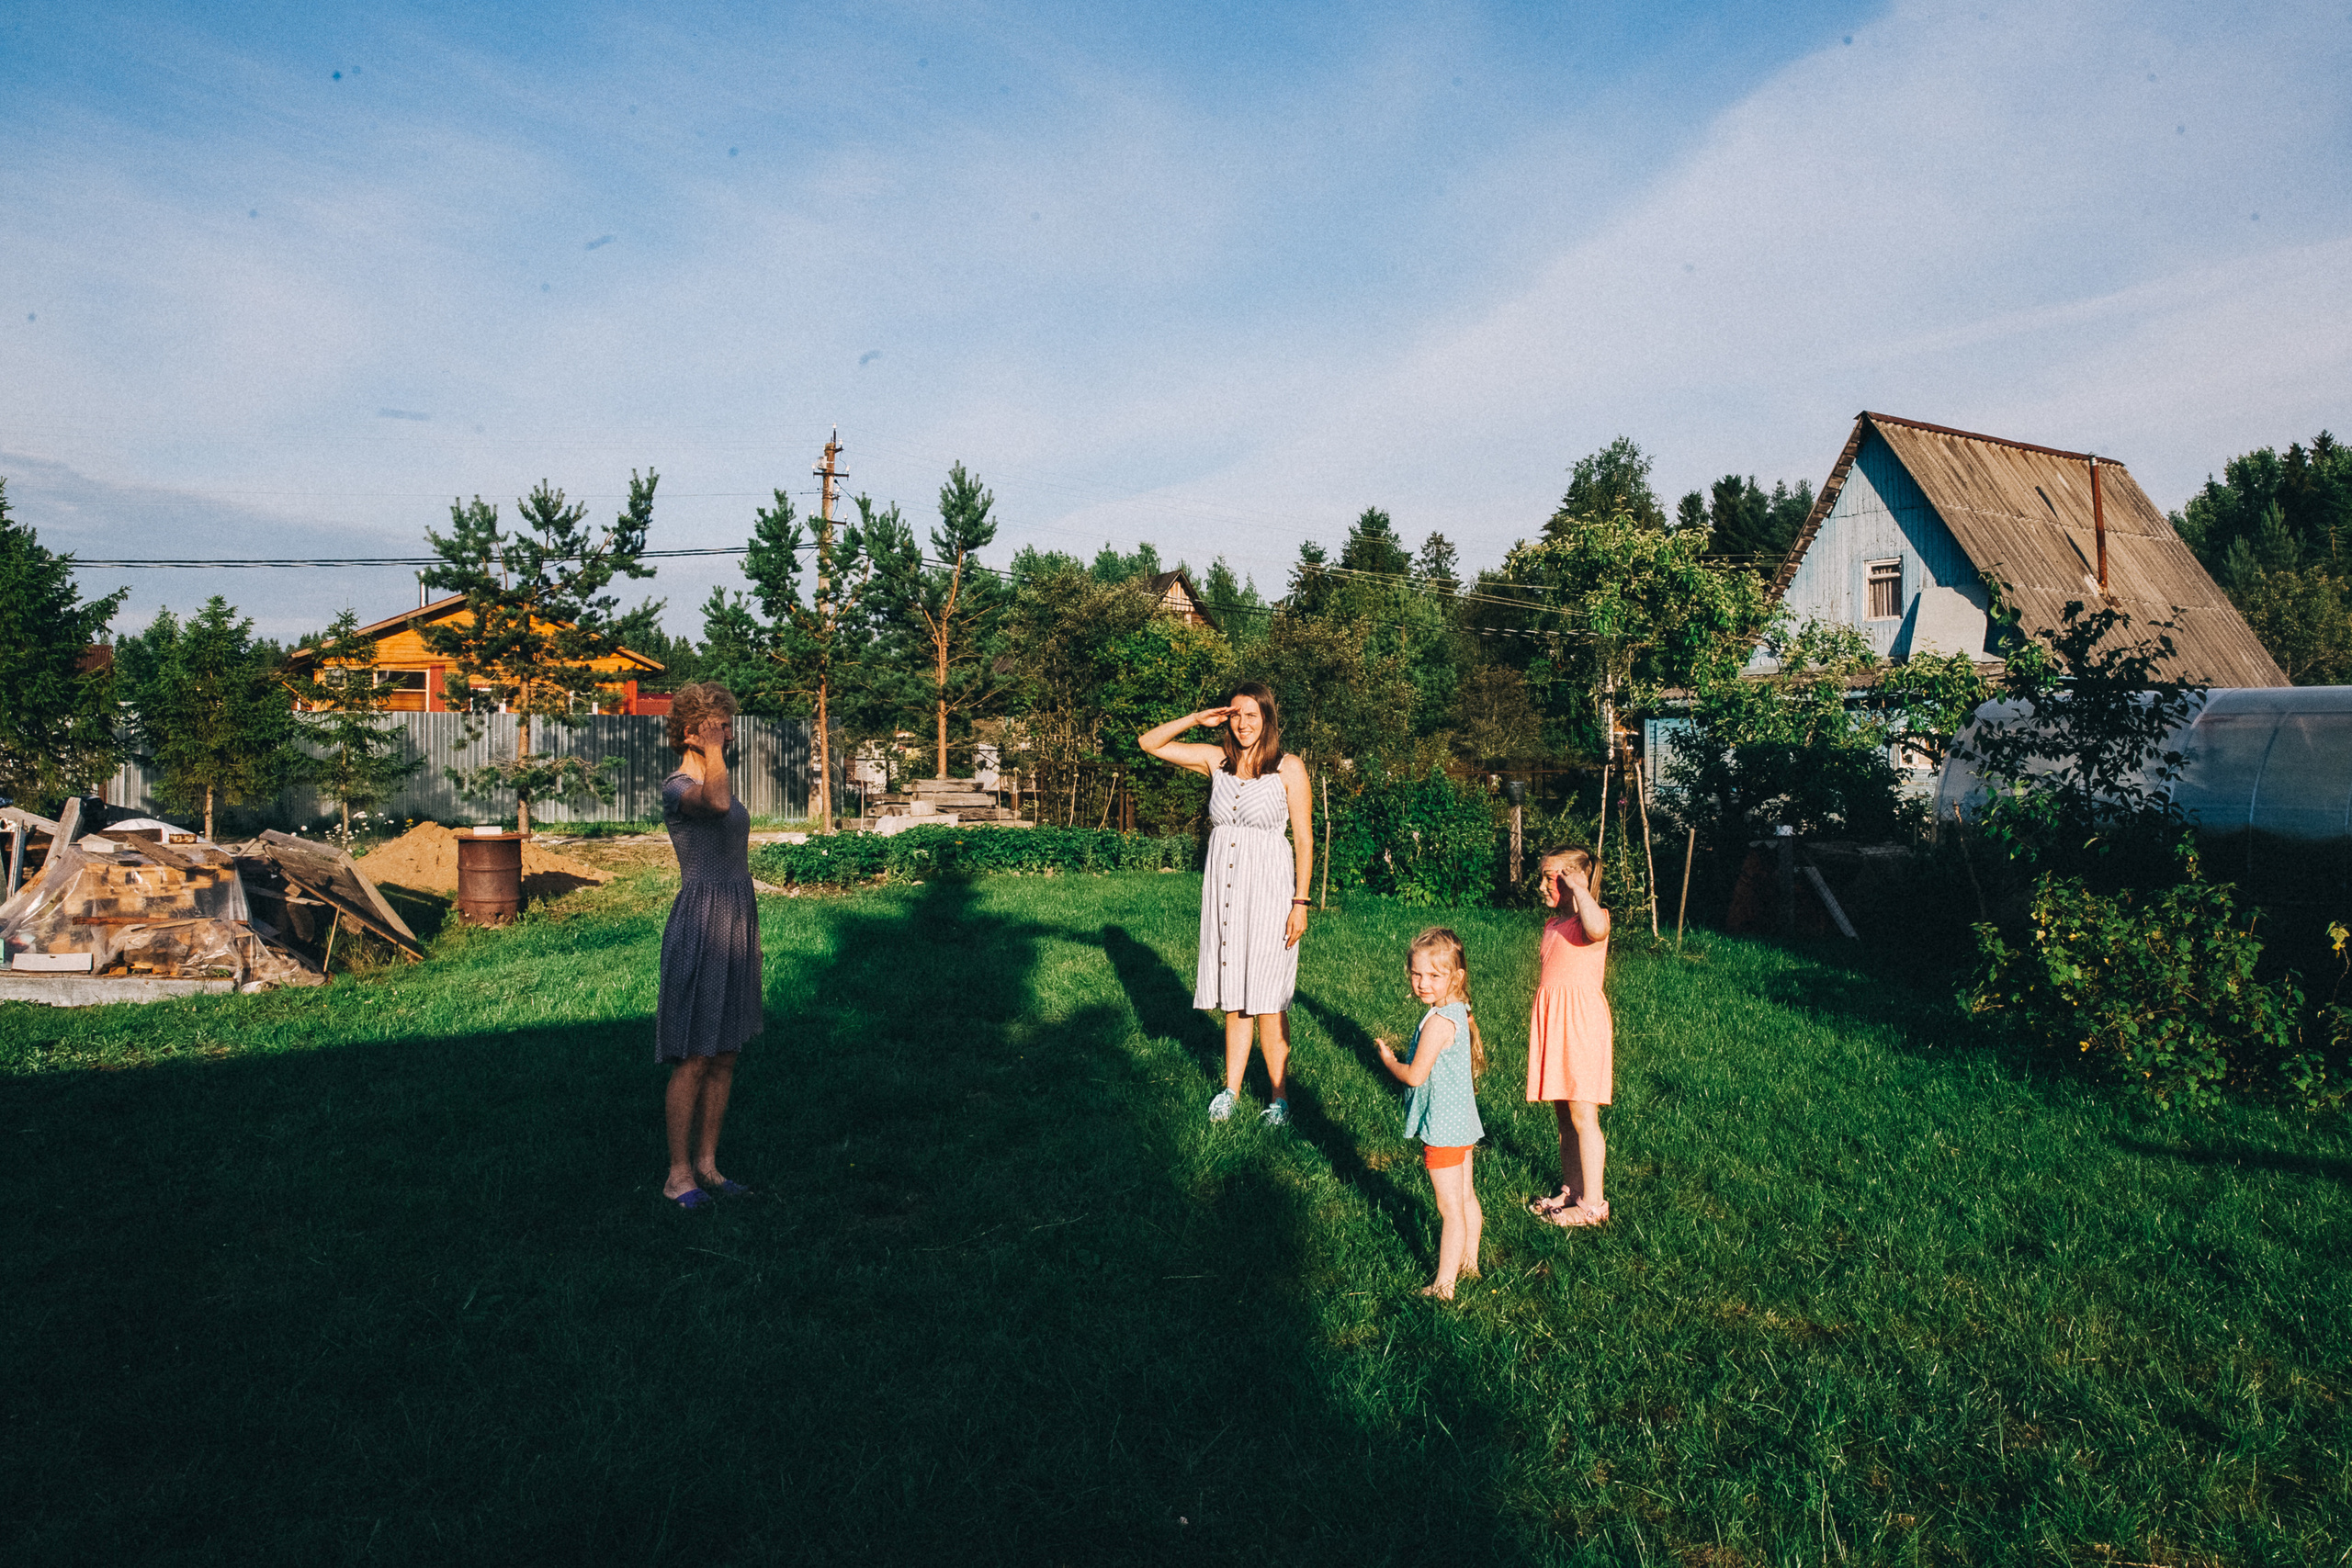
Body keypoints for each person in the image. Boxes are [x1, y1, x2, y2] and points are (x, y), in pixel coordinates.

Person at [1137, 682, 1313, 1127]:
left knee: (1269, 999)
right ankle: (1231, 1091)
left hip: (1272, 894)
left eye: (1252, 715)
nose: (1243, 723)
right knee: (1235, 997)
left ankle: (1279, 1099)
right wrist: (1198, 718)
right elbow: (1149, 743)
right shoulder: (1216, 762)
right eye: (1236, 715)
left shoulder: (1288, 768)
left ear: (1268, 719)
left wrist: (1301, 902)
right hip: (1227, 895)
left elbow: (1306, 841)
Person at [656, 682, 763, 1210]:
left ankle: (708, 1165)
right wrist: (712, 750)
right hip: (700, 921)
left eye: (728, 723)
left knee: (725, 1054)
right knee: (694, 1055)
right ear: (692, 732)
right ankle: (678, 1176)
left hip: (736, 920)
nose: (728, 732)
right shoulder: (678, 787)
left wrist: (715, 749)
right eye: (718, 724)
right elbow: (718, 804)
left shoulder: (715, 771)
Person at [1374, 928, 1487, 1299]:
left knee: (1450, 1208)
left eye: (1434, 976)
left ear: (1457, 977)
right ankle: (1469, 1263)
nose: (1423, 983)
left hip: (1443, 1128)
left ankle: (1445, 1285)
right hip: (1464, 1122)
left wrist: (1389, 1061)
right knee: (1467, 1197)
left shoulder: (1438, 1023)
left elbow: (1415, 1075)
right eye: (1416, 974)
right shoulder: (1457, 1011)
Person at [1525, 846, 1612, 1227]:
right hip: (1554, 1026)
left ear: (1575, 880)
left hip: (1580, 1026)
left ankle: (1593, 1206)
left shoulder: (1590, 921)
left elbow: (1597, 928)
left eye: (1550, 877)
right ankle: (1574, 1190)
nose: (1542, 884)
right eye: (1543, 876)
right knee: (1564, 1116)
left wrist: (1582, 891)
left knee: (1583, 1115)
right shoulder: (1553, 926)